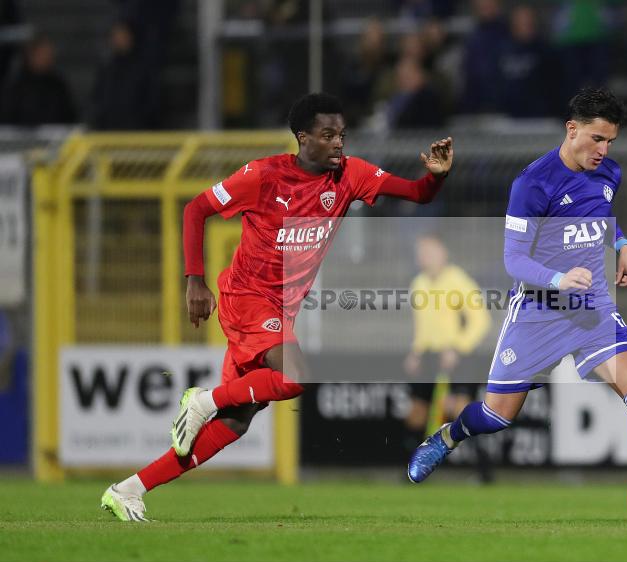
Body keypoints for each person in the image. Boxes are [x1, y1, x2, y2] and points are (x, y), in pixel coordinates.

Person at [101, 93, 454, 521]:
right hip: (247, 298)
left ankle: (129, 490)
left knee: (235, 423)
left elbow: (417, 193)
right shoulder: (263, 176)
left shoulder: (350, 175)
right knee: (295, 375)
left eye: (342, 134)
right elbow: (196, 209)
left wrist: (434, 177)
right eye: (328, 135)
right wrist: (194, 280)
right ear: (302, 138)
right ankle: (203, 400)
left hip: (279, 311)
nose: (338, 144)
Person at [406, 88, 627, 524]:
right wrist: (557, 279)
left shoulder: (608, 174)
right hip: (538, 310)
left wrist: (622, 244)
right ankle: (448, 437)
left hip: (591, 308)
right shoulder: (532, 184)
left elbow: (601, 219)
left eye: (610, 142)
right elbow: (514, 259)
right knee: (496, 415)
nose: (603, 151)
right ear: (572, 130)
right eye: (597, 139)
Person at [404, 233, 493, 482]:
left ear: (443, 253)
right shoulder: (418, 283)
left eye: (429, 251)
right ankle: (412, 470)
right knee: (415, 415)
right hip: (429, 355)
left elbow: (480, 320)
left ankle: (484, 473)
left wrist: (457, 348)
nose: (424, 257)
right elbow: (421, 326)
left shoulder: (458, 280)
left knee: (459, 412)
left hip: (456, 355)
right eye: (421, 252)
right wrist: (416, 351)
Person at [0, 35, 77, 126]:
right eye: (42, 53)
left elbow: (70, 116)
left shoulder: (58, 84)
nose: (47, 58)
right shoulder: (15, 86)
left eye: (49, 54)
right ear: (31, 55)